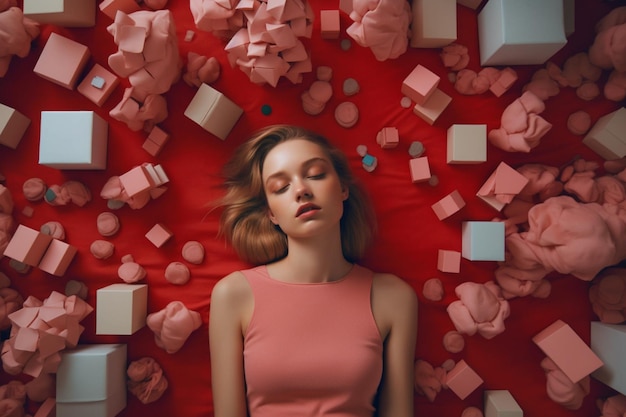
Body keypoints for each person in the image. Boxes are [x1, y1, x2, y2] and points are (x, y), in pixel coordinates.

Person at [209, 124, 418, 417]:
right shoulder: (233, 295)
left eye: (316, 174)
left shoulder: (393, 297)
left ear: (343, 189)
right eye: (280, 187)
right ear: (271, 214)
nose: (301, 190)